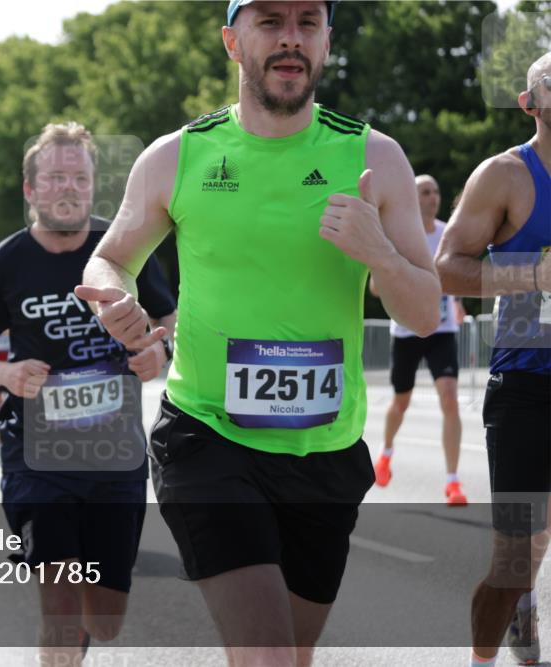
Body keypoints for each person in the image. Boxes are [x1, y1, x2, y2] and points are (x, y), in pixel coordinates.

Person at [76, 2, 442, 664]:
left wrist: (381, 257)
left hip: (325, 452)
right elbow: (110, 258)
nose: (290, 39)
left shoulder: (375, 157)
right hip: (208, 437)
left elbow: (422, 315)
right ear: (231, 40)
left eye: (308, 23)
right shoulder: (177, 156)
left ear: (327, 41)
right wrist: (117, 300)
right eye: (270, 22)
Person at [0, 121, 177, 665]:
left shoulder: (122, 251)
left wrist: (161, 353)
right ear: (31, 190)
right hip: (38, 456)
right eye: (55, 178)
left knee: (103, 618)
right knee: (58, 597)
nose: (68, 189)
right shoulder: (1, 266)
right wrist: (6, 374)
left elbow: (170, 321)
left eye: (79, 178)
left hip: (114, 454)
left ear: (92, 185)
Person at [434, 53, 551, 667]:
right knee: (514, 561)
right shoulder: (506, 175)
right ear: (530, 103)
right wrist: (532, 274)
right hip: (528, 384)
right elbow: (448, 268)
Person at [370, 174, 469, 506]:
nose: (433, 197)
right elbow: (375, 287)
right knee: (401, 402)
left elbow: (455, 275)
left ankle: (453, 482)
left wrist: (457, 302)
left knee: (450, 399)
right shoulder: (399, 234)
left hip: (442, 330)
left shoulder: (447, 234)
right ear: (412, 197)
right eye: (425, 192)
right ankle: (385, 453)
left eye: (436, 191)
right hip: (407, 330)